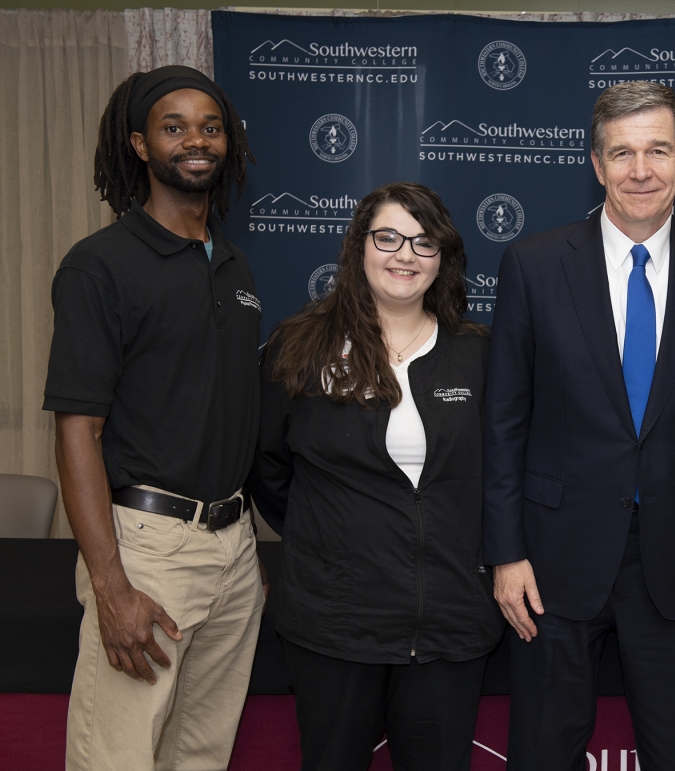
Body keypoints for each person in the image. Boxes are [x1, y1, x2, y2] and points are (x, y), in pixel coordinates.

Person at [483, 81, 675, 770]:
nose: (641, 170)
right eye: (623, 152)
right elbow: (504, 420)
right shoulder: (534, 264)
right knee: (543, 751)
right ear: (597, 162)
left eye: (658, 150)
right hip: (550, 558)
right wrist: (505, 551)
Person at [43, 66, 265, 771]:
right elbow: (79, 429)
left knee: (199, 755)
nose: (196, 140)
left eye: (210, 126)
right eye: (174, 127)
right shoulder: (99, 266)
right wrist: (111, 586)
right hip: (146, 548)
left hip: (235, 546)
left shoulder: (234, 267)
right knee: (118, 755)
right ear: (139, 145)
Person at [248, 182, 503, 771]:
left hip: (447, 624)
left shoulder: (481, 354)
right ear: (359, 247)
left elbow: (498, 474)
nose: (404, 255)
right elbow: (269, 468)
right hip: (334, 623)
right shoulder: (301, 346)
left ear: (444, 257)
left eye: (423, 241)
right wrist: (335, 537)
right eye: (387, 237)